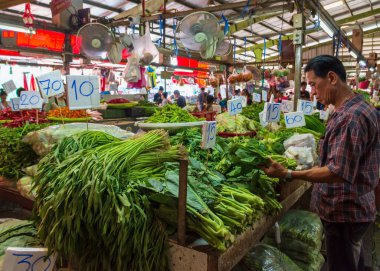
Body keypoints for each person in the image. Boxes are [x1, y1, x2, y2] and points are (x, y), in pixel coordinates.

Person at [262, 55, 379, 271]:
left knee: (343, 264)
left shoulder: (349, 118)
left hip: (345, 212)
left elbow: (337, 171)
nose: (313, 92)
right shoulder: (356, 106)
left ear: (332, 78)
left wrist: (288, 173)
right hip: (355, 209)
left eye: (314, 84)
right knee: (354, 258)